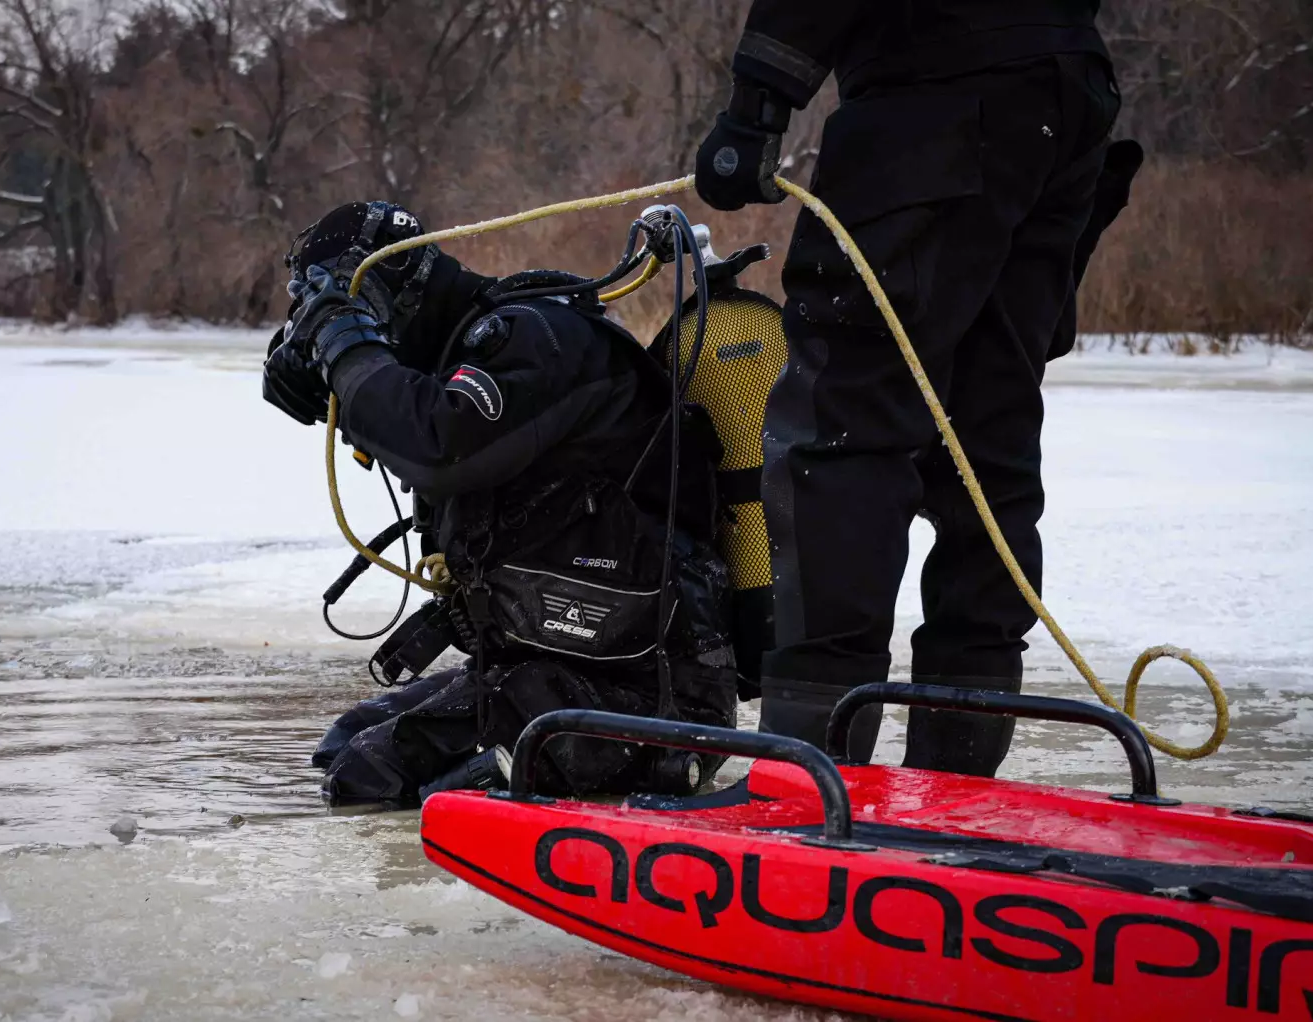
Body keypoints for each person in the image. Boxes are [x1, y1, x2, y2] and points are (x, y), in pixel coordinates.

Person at [691, 3, 1132, 774]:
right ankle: (957, 774)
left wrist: (759, 102)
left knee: (841, 424)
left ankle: (808, 773)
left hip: (936, 96)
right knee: (985, 427)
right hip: (1064, 94)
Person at [263, 200, 738, 806]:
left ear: (391, 291)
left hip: (649, 691)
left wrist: (350, 353)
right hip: (555, 666)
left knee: (371, 775)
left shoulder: (534, 338)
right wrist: (324, 372)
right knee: (344, 744)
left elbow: (439, 445)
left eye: (354, 308)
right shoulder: (462, 357)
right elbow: (427, 434)